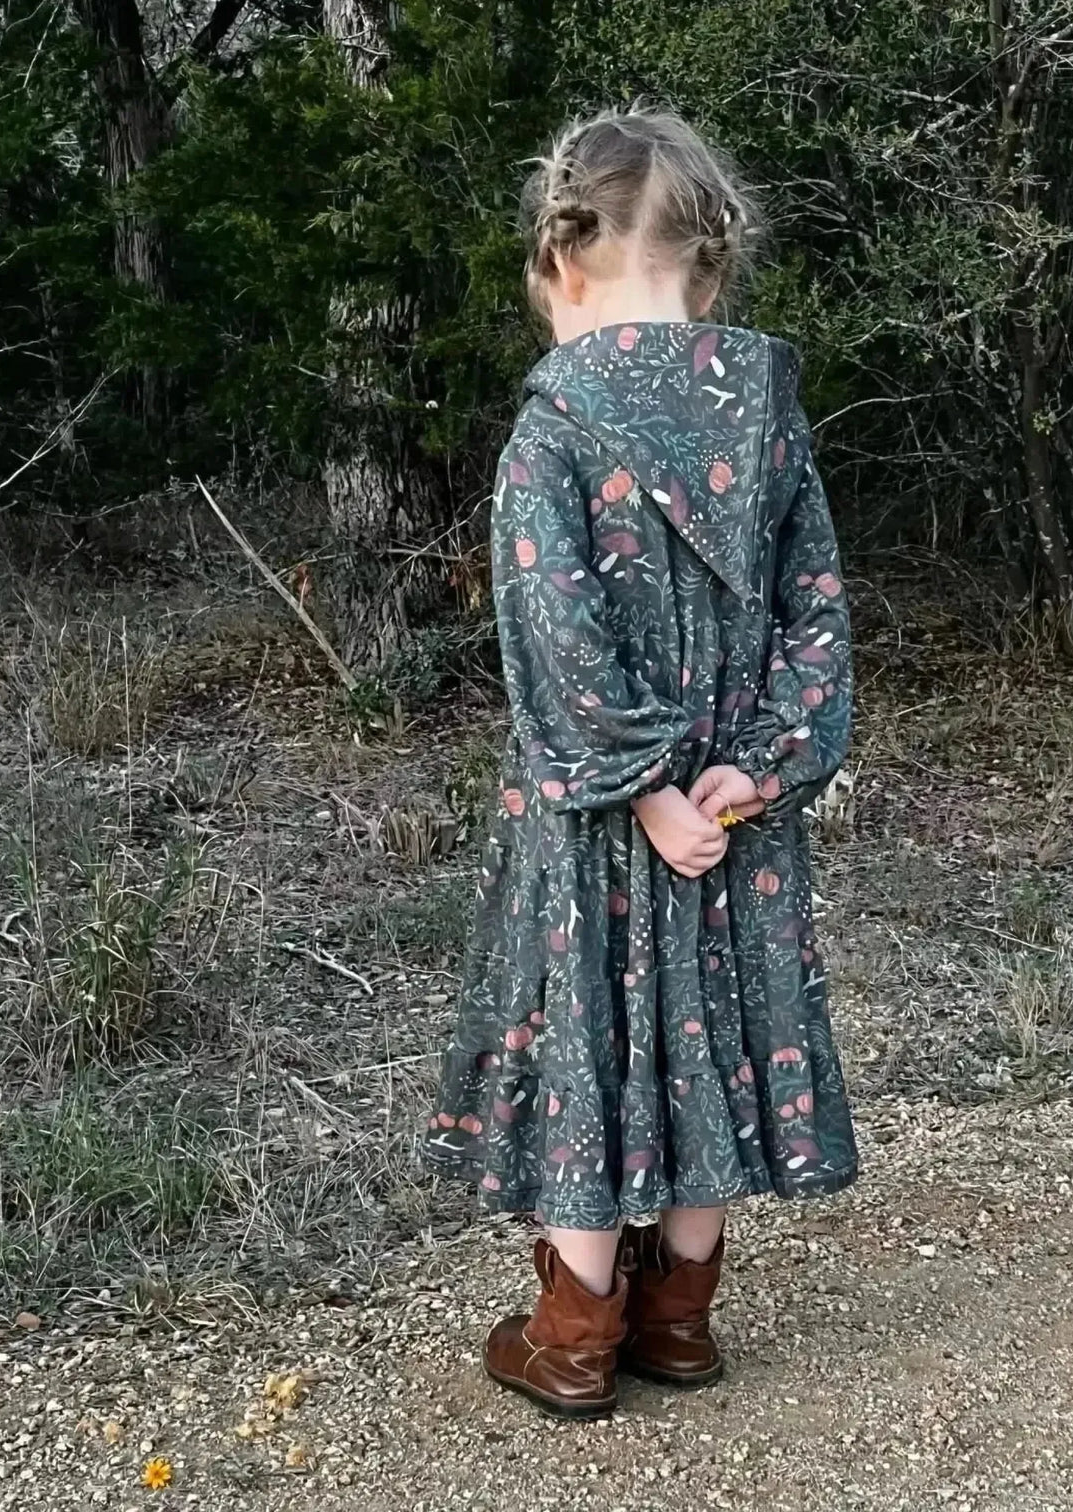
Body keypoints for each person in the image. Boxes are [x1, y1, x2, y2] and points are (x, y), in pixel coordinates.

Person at [421, 106, 857, 1419]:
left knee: (593, 1045)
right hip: (733, 819)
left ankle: (571, 1338)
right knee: (712, 1035)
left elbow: (552, 637)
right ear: (709, 272)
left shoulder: (554, 429)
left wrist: (647, 788)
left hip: (600, 822)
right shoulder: (770, 425)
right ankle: (679, 1324)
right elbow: (818, 616)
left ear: (563, 260)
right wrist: (756, 771)